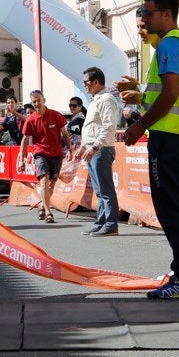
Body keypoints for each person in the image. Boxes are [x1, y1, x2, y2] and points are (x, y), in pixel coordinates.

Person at [123, 0, 179, 299]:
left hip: (170, 139)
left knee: (173, 209)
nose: (144, 18)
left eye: (149, 12)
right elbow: (171, 91)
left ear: (166, 14)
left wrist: (140, 125)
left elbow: (171, 93)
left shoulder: (170, 45)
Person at [76, 67, 120, 237]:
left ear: (96, 82)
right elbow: (93, 127)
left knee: (106, 189)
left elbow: (109, 126)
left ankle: (111, 224)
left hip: (101, 150)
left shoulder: (106, 99)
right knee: (100, 190)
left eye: (86, 82)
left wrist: (95, 146)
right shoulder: (95, 99)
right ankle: (101, 222)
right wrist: (83, 146)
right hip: (93, 149)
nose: (84, 85)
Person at [18, 89, 70, 224]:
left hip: (57, 154)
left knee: (51, 184)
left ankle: (42, 205)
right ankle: (48, 212)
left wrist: (69, 148)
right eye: (34, 101)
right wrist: (22, 159)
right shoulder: (30, 120)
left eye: (38, 100)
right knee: (43, 181)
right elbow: (25, 140)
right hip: (40, 153)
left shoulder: (56, 115)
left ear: (44, 100)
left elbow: (65, 133)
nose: (36, 103)